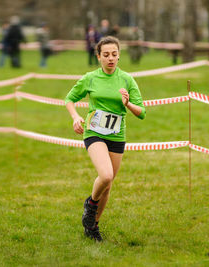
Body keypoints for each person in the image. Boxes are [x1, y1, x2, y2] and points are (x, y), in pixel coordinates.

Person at [65, 36, 146, 242]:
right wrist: (75, 117)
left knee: (107, 186)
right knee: (106, 175)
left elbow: (142, 112)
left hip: (117, 135)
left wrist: (127, 104)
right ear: (98, 57)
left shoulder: (127, 79)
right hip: (94, 132)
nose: (111, 58)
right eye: (106, 55)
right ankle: (90, 205)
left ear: (119, 56)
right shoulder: (90, 78)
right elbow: (69, 99)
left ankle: (93, 226)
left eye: (114, 55)